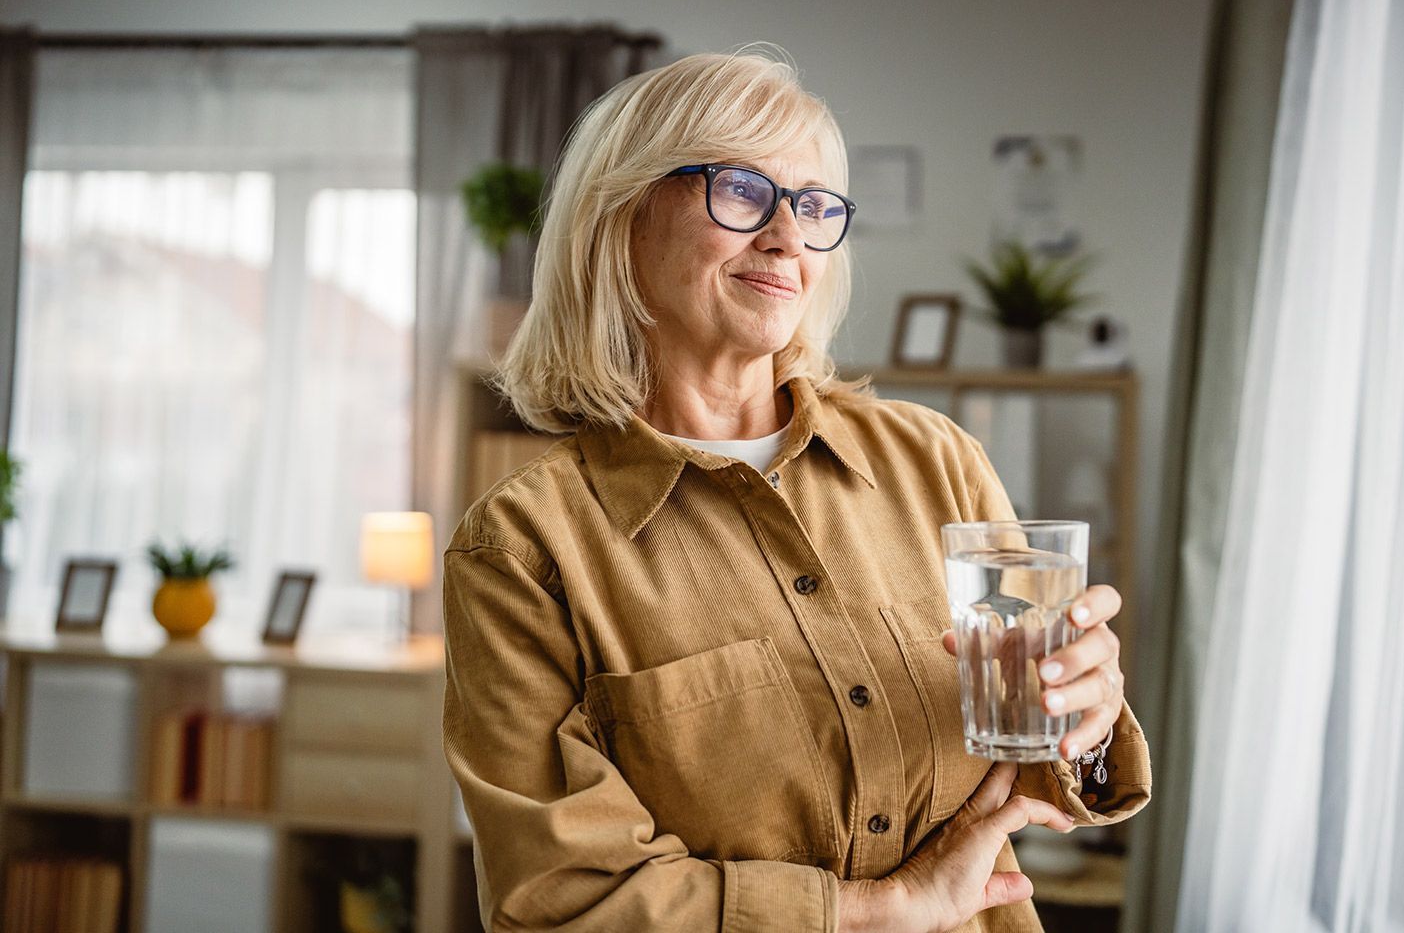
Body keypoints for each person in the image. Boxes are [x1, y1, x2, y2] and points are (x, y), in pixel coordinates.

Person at [442, 48, 1152, 933]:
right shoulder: (522, 549)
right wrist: (883, 909)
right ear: (618, 218)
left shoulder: (939, 462)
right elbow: (560, 897)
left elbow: (1036, 766)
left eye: (814, 206)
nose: (786, 236)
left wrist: (1084, 717)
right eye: (742, 190)